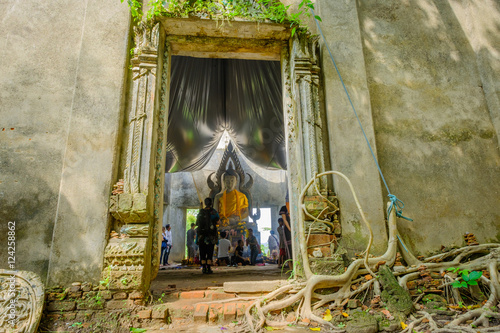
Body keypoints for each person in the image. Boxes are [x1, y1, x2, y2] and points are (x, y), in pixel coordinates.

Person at [196, 197, 219, 274]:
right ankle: (208, 268)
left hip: (201, 236)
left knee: (202, 252)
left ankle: (203, 268)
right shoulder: (213, 212)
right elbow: (218, 220)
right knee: (209, 252)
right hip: (210, 236)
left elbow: (197, 222)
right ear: (211, 203)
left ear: (205, 203)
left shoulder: (201, 211)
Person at [279, 206, 293, 270]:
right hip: (288, 231)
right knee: (289, 248)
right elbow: (284, 220)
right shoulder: (284, 208)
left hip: (295, 229)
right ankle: (291, 268)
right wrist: (290, 229)